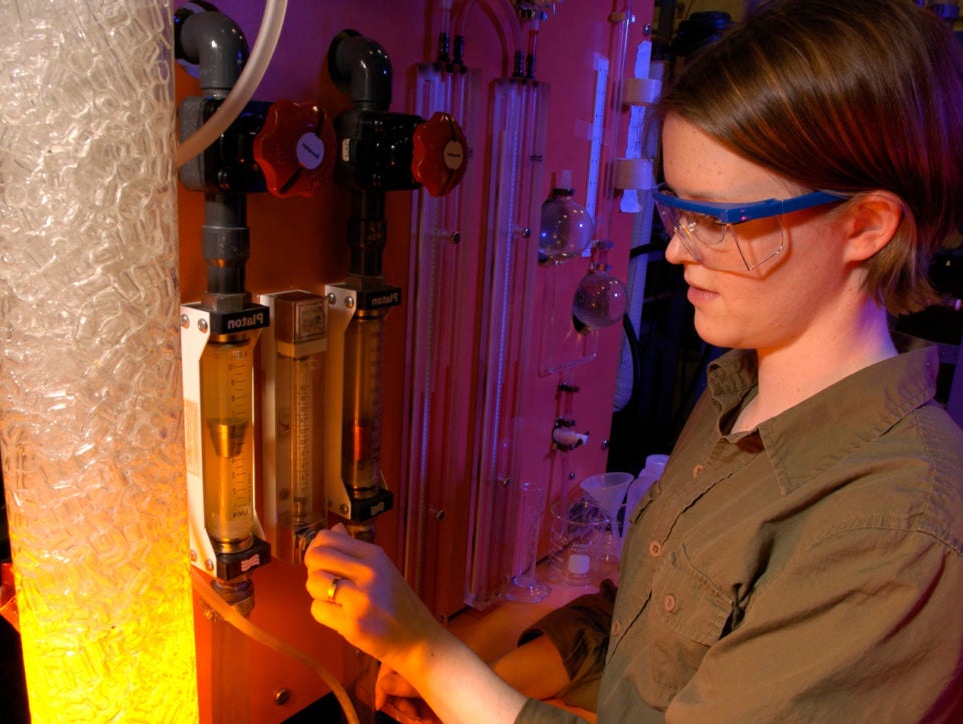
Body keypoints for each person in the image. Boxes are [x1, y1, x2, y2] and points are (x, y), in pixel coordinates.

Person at [304, 0, 963, 720]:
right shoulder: (738, 392)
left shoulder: (895, 535)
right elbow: (661, 624)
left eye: (722, 220)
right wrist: (494, 678)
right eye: (678, 209)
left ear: (865, 225)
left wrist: (427, 652)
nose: (679, 249)